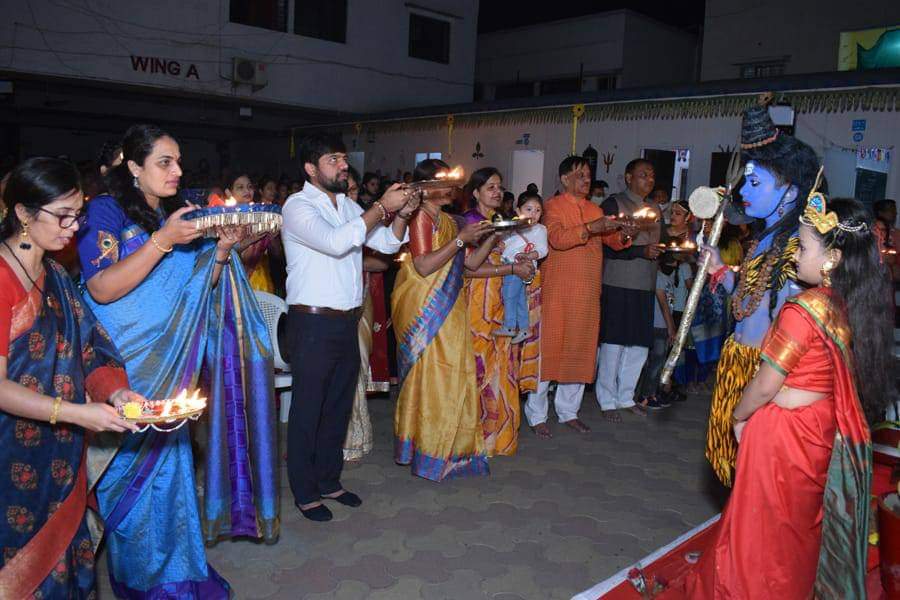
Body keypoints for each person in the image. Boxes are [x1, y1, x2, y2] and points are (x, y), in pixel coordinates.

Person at [79, 124, 278, 596]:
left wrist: (222, 249)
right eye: (165, 162)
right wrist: (164, 240)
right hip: (126, 364)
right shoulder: (104, 211)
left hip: (172, 362)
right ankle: (143, 584)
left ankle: (177, 573)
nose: (177, 171)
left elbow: (195, 292)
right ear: (134, 167)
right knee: (129, 483)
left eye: (179, 162)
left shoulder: (175, 214)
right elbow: (101, 288)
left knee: (171, 472)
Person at [660, 196, 892, 598]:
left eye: (804, 248)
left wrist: (738, 416)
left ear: (833, 258)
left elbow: (767, 383)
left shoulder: (803, 310)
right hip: (819, 427)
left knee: (759, 528)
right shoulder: (845, 304)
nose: (795, 256)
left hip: (783, 435)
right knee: (796, 527)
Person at [0, 158, 143, 599]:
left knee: (68, 563)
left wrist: (115, 392)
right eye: (63, 216)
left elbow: (89, 347)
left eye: (78, 214)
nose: (75, 227)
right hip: (11, 456)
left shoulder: (56, 275)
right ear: (23, 213)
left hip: (61, 452)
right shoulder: (2, 280)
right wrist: (76, 413)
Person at [282, 133, 414, 521]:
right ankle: (305, 491)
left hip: (346, 320)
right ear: (311, 169)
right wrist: (380, 207)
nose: (343, 165)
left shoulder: (347, 205)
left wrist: (402, 215)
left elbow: (387, 245)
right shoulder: (298, 206)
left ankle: (328, 480)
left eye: (343, 158)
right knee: (309, 409)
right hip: (312, 322)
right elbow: (337, 242)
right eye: (333, 160)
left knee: (337, 406)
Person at [701, 101, 820, 487]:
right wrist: (719, 268)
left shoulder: (795, 249)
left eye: (755, 183)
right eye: (745, 182)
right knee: (734, 467)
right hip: (737, 361)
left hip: (765, 373)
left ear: (790, 192)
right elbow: (750, 301)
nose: (743, 191)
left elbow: (792, 325)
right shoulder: (763, 238)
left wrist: (772, 385)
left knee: (757, 471)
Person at [393, 159, 497, 480]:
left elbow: (470, 265)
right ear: (425, 189)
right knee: (433, 376)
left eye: (451, 183)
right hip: (426, 307)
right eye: (442, 183)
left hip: (451, 305)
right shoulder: (421, 217)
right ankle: (428, 449)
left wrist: (492, 235)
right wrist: (462, 239)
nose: (450, 188)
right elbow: (423, 266)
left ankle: (451, 448)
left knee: (455, 373)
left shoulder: (451, 220)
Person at [524, 157, 626, 438]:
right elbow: (557, 239)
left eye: (588, 174)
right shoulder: (552, 207)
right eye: (580, 174)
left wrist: (625, 233)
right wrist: (592, 228)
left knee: (580, 351)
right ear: (564, 179)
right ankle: (537, 415)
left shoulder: (594, 209)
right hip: (557, 292)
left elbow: (613, 241)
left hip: (587, 293)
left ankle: (569, 411)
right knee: (548, 352)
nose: (586, 179)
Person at [463, 168, 534, 456]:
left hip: (500, 299)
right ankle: (472, 438)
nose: (497, 192)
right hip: (476, 301)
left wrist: (521, 262)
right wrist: (512, 268)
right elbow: (469, 269)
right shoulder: (470, 222)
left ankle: (496, 439)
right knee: (478, 365)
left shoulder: (500, 221)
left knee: (502, 363)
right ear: (476, 192)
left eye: (499, 187)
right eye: (490, 187)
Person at [596, 159, 663, 422]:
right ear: (628, 177)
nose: (649, 180)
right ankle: (606, 399)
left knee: (639, 345)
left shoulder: (655, 208)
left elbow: (658, 243)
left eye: (652, 175)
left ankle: (625, 396)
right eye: (643, 175)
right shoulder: (614, 204)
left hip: (645, 284)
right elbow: (605, 246)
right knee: (613, 342)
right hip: (618, 282)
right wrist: (640, 251)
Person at [342, 166, 391, 462]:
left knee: (356, 367)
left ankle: (354, 438)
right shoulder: (322, 217)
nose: (350, 197)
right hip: (329, 305)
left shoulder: (363, 218)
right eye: (345, 191)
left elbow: (383, 260)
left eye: (353, 191)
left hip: (359, 301)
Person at [493, 193, 548, 344]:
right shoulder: (515, 226)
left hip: (519, 268)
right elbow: (507, 242)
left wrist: (530, 255)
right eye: (529, 209)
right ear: (518, 210)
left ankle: (509, 326)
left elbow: (543, 250)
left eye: (537, 210)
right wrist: (500, 245)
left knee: (509, 295)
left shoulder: (540, 229)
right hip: (509, 265)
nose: (533, 213)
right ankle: (524, 328)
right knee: (519, 299)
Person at [228, 173, 282, 294]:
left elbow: (277, 254)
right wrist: (251, 239)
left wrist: (273, 236)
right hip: (236, 282)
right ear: (229, 192)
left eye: (250, 187)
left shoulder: (263, 216)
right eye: (240, 187)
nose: (247, 191)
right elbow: (226, 255)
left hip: (262, 282)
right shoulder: (225, 220)